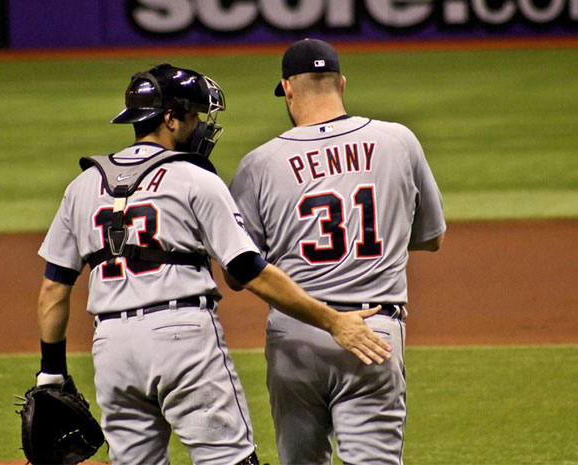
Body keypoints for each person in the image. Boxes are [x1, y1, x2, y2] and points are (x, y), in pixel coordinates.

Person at [34, 63, 392, 465]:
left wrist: (51, 372)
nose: (203, 127)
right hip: (181, 339)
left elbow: (53, 290)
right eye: (196, 116)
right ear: (170, 117)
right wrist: (332, 320)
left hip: (112, 348)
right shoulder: (193, 178)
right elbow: (246, 270)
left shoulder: (82, 186)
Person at [228, 39, 446, 465]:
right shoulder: (398, 140)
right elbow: (432, 237)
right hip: (373, 332)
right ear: (341, 83)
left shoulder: (259, 162)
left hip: (294, 333)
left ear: (287, 89)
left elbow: (238, 273)